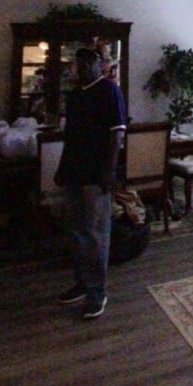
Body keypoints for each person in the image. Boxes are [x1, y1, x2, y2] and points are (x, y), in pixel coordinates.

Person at [54, 47, 127, 320]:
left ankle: (97, 291)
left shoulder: (109, 90)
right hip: (74, 171)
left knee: (96, 233)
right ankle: (81, 283)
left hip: (96, 174)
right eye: (79, 62)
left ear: (100, 64)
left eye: (89, 62)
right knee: (77, 230)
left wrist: (108, 172)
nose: (83, 67)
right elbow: (70, 137)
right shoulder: (74, 95)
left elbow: (116, 135)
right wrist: (62, 168)